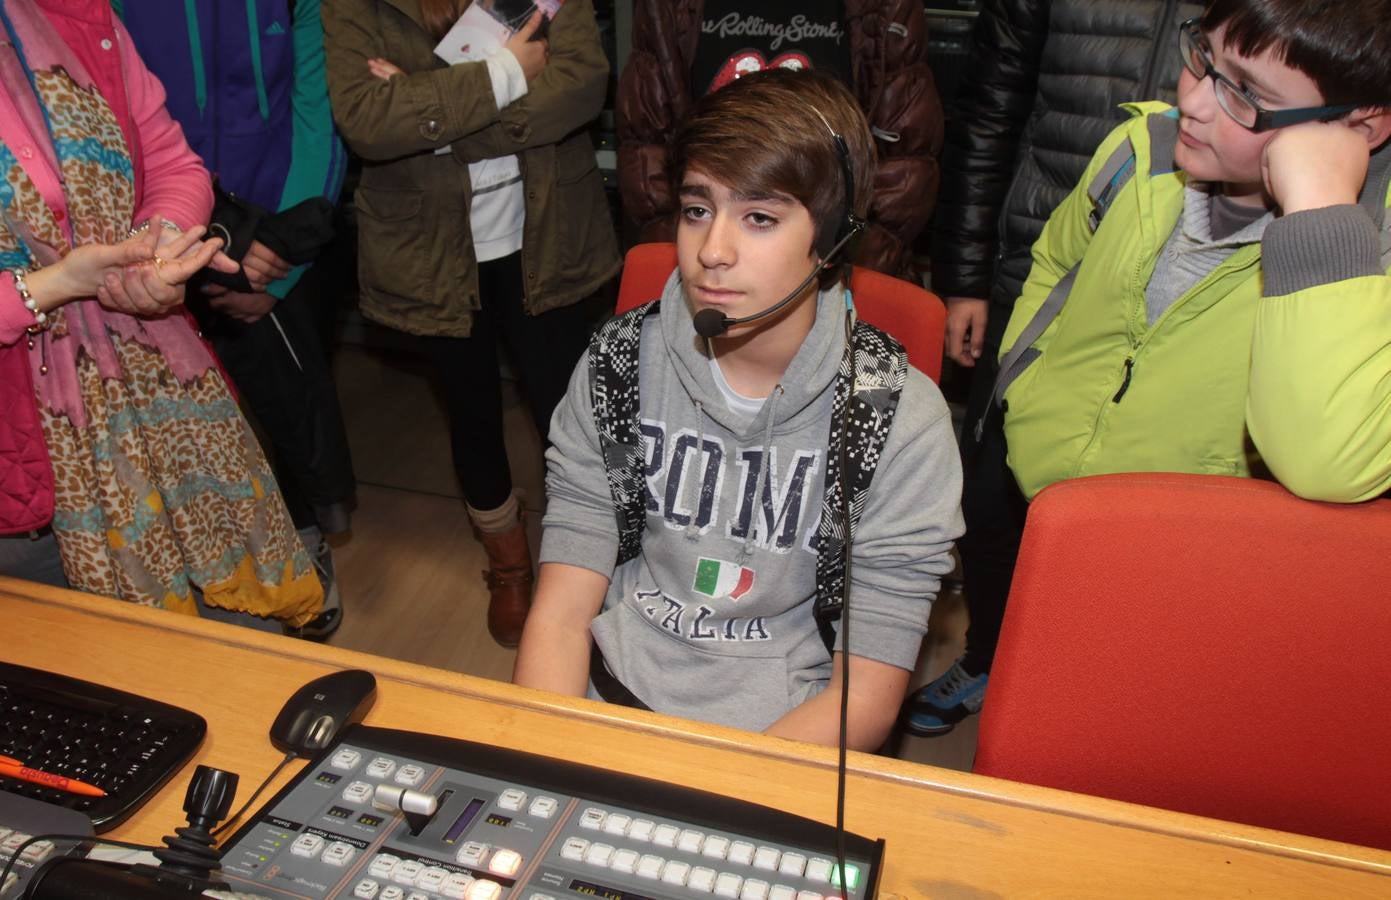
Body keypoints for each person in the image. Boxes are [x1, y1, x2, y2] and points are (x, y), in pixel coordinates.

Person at [922, 0, 1391, 731]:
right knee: (1012, 599)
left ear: (1356, 128)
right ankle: (993, 661)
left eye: (1246, 94)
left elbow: (1327, 462)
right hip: (1043, 474)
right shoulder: (1140, 147)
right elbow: (1057, 261)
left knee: (1111, 714)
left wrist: (1320, 215)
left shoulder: (1372, 250)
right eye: (1203, 59)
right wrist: (1025, 381)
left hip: (1184, 559)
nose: (1193, 102)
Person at [514, 69, 963, 751]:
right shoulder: (617, 366)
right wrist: (549, 754)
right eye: (697, 209)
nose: (711, 252)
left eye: (759, 218)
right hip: (606, 695)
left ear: (833, 239)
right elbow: (559, 614)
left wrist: (718, 787)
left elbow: (863, 700)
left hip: (783, 737)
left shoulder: (898, 423)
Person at [909, 0, 1202, 735]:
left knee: (1142, 527)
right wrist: (966, 276)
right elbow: (990, 114)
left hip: (1189, 294)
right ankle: (989, 656)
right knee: (990, 499)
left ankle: (1097, 695)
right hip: (1039, 268)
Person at [0, 0, 322, 630]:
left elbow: (173, 161)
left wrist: (156, 248)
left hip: (162, 400)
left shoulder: (73, 16)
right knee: (81, 667)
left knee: (239, 642)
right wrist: (51, 286)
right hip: (27, 458)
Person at [321, 0, 620, 647]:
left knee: (570, 415)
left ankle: (586, 566)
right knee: (472, 413)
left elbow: (582, 83)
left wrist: (439, 121)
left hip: (546, 232)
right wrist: (508, 74)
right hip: (431, 248)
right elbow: (368, 120)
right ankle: (508, 565)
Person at [120, 0, 356, 641]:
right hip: (156, 235)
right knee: (173, 423)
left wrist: (278, 260)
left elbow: (318, 119)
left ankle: (303, 542)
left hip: (276, 235)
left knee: (289, 406)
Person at [616, 0, 943, 281]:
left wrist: (843, 259)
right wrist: (689, 256)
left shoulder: (883, 6)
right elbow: (648, 146)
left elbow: (904, 160)